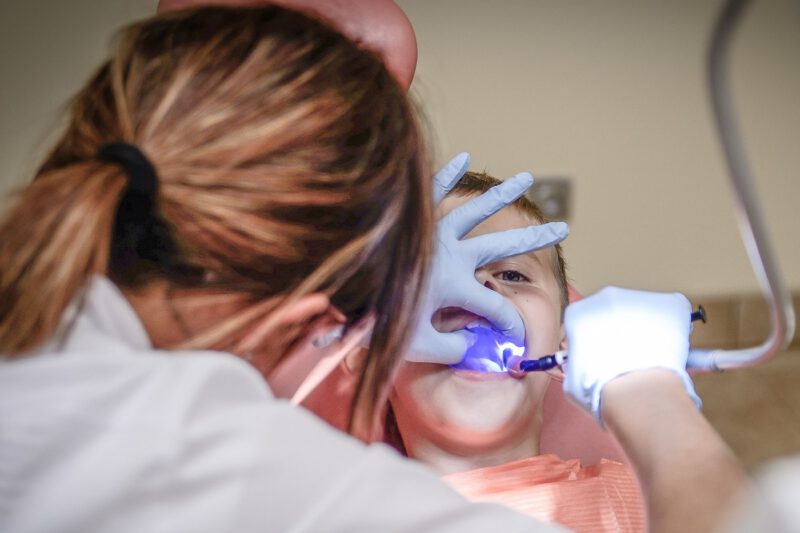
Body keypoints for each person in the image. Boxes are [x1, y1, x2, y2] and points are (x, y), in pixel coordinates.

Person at [0, 5, 747, 533]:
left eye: (512, 275)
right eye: (422, 274)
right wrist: (647, 392)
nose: (478, 298)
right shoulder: (291, 479)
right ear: (349, 334)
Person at [387, 171, 645, 532]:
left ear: (564, 345)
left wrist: (663, 407)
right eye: (436, 275)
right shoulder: (329, 515)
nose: (478, 290)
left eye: (511, 274)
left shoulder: (637, 502)